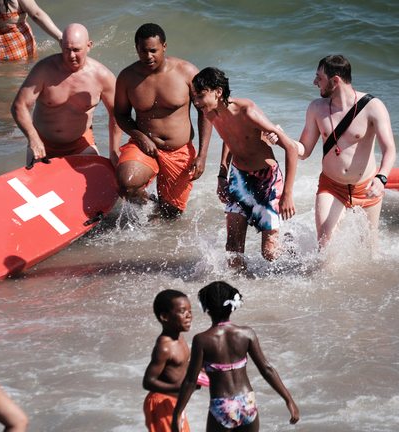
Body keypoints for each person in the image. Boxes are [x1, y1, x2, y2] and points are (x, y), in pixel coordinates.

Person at [191, 67, 299, 272]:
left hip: (267, 181)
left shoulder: (247, 111)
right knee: (233, 253)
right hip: (239, 179)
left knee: (270, 254)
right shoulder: (211, 113)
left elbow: (291, 148)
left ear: (218, 92)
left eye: (200, 96)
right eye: (194, 97)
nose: (196, 103)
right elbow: (229, 138)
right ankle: (245, 293)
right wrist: (222, 174)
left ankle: (292, 246)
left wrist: (288, 194)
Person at [294, 55, 396, 251]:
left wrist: (381, 178)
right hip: (331, 186)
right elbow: (304, 150)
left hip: (365, 187)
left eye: (319, 78)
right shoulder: (316, 108)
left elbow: (389, 149)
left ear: (335, 80)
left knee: (369, 250)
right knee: (324, 246)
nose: (315, 82)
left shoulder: (373, 107)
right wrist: (282, 138)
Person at [171, 281, 299, 432]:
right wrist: (288, 400)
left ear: (206, 308)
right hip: (247, 402)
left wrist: (178, 412)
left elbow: (191, 381)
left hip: (221, 405)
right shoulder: (247, 334)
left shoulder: (202, 339)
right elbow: (267, 369)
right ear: (233, 305)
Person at [114, 23, 212, 218]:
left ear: (164, 47)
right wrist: (139, 136)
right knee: (126, 184)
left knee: (172, 214)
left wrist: (202, 155)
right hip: (145, 146)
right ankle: (152, 212)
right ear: (137, 49)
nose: (148, 56)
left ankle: (160, 210)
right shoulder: (127, 77)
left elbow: (206, 111)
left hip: (179, 149)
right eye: (143, 51)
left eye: (153, 50)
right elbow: (121, 114)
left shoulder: (187, 72)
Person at [11, 23, 122, 166]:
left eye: (76, 50)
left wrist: (113, 153)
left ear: (89, 46)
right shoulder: (44, 70)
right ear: (61, 44)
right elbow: (19, 105)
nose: (71, 56)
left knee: (100, 185)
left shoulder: (102, 77)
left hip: (81, 145)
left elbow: (116, 113)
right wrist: (33, 138)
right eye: (67, 49)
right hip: (42, 144)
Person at [143, 290, 204, 432]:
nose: (189, 315)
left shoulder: (180, 337)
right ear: (165, 317)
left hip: (176, 402)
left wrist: (198, 370)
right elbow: (148, 381)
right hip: (162, 404)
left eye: (190, 310)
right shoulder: (164, 347)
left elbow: (180, 364)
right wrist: (180, 387)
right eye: (182, 311)